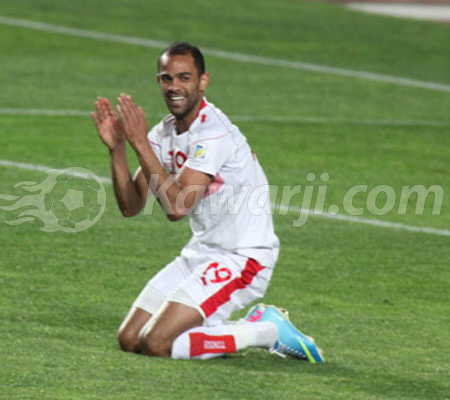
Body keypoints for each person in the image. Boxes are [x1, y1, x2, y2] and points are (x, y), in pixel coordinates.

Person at [91, 41, 323, 362]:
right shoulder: (165, 133)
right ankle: (211, 329)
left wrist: (141, 144)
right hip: (201, 254)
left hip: (243, 258)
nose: (174, 87)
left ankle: (267, 330)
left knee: (157, 343)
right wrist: (117, 149)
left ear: (203, 82)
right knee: (130, 338)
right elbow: (131, 206)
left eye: (184, 78)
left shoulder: (213, 134)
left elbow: (177, 208)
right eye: (166, 78)